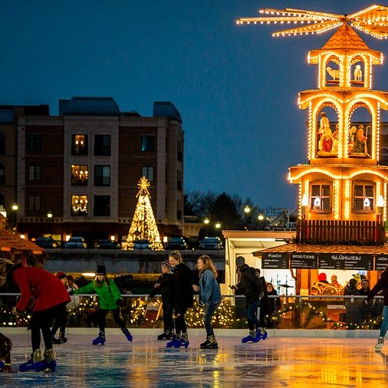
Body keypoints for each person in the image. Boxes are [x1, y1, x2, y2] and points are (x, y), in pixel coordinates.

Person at [10, 264, 70, 372]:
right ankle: (50, 357)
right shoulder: (27, 270)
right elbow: (34, 289)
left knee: (35, 324)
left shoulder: (17, 273)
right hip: (57, 291)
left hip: (50, 293)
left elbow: (26, 293)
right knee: (44, 325)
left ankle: (36, 357)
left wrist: (18, 309)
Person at [73, 264, 132, 345]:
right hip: (103, 304)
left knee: (117, 318)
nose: (100, 277)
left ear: (104, 275)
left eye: (102, 275)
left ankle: (125, 331)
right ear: (96, 275)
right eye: (98, 275)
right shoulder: (94, 284)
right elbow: (85, 289)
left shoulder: (109, 282)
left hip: (113, 303)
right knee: (100, 317)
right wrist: (74, 292)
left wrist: (118, 299)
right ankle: (102, 336)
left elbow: (115, 291)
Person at [231, 256, 266, 343]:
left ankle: (259, 331)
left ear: (242, 262)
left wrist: (261, 292)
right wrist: (236, 286)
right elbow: (243, 284)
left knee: (250, 315)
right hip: (249, 296)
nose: (236, 263)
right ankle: (252, 333)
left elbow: (256, 281)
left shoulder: (247, 271)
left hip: (254, 296)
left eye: (238, 261)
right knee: (250, 315)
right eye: (236, 261)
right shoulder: (243, 273)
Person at [166, 251, 194, 348]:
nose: (171, 262)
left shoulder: (182, 269)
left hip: (184, 298)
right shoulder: (176, 269)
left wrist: (194, 285)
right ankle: (178, 337)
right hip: (178, 299)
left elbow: (191, 277)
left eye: (173, 260)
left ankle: (184, 338)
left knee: (179, 317)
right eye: (170, 261)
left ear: (178, 259)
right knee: (177, 318)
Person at [196, 255, 221, 349]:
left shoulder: (207, 273)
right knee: (207, 319)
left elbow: (208, 288)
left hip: (213, 299)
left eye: (199, 262)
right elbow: (204, 288)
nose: (197, 264)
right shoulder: (205, 273)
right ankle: (210, 339)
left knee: (206, 319)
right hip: (211, 299)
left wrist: (203, 300)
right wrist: (198, 289)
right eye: (197, 262)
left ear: (205, 263)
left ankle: (212, 341)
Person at [149, 261, 175, 340]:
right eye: (162, 267)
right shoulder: (162, 276)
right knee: (165, 316)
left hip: (171, 299)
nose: (162, 269)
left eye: (163, 267)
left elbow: (167, 282)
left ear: (168, 268)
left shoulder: (172, 276)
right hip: (165, 299)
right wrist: (151, 295)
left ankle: (171, 331)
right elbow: (158, 286)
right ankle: (166, 331)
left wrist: (160, 284)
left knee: (168, 315)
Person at [367, 267, 388, 351]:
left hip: (387, 302)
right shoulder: (386, 274)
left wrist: (369, 297)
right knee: (385, 321)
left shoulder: (385, 274)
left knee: (385, 322)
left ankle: (380, 342)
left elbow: (377, 286)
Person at [51, 272, 70, 344]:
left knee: (62, 321)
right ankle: (55, 336)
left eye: (66, 279)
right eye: (64, 279)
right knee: (60, 321)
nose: (65, 280)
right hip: (58, 306)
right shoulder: (58, 286)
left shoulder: (63, 286)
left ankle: (59, 336)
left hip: (61, 306)